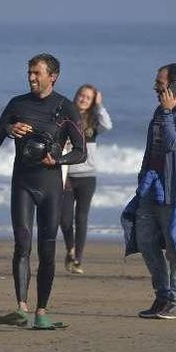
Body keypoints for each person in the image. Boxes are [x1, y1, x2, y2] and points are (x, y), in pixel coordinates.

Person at [0, 53, 86, 329]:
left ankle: (42, 311)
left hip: (51, 186)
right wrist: (8, 128)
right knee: (22, 244)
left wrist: (59, 160)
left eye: (36, 73)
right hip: (23, 184)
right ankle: (21, 308)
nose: (31, 77)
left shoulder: (66, 108)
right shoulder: (17, 105)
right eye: (29, 72)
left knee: (47, 250)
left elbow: (80, 152)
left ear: (52, 76)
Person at [131, 63, 176, 319]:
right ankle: (163, 297)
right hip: (151, 186)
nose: (155, 87)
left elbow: (174, 142)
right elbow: (152, 148)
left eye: (160, 83)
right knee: (145, 241)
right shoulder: (159, 111)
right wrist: (142, 177)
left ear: (175, 85)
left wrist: (167, 111)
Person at [60, 84, 112, 274]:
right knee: (64, 218)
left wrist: (99, 105)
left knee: (81, 218)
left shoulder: (94, 119)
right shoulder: (66, 115)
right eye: (82, 95)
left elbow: (108, 125)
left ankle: (77, 260)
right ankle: (70, 249)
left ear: (92, 102)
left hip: (87, 176)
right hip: (66, 174)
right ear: (76, 96)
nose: (83, 99)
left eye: (88, 97)